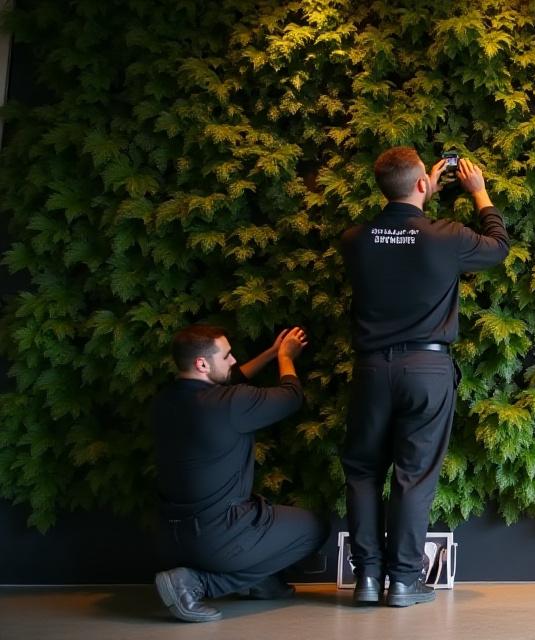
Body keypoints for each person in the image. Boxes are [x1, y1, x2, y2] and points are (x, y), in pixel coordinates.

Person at [340, 147, 508, 607]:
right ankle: (403, 581)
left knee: (362, 472)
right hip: (427, 368)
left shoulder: (354, 240)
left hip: (370, 369)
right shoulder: (446, 236)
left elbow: (396, 235)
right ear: (421, 184)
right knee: (413, 476)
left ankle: (367, 579)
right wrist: (479, 193)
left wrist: (421, 192)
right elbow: (498, 247)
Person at [152, 324, 327, 623]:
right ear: (202, 364)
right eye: (227, 355)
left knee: (263, 517)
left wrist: (270, 352)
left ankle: (258, 581)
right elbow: (291, 396)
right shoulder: (231, 403)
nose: (233, 360)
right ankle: (196, 584)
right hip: (218, 538)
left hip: (169, 537)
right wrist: (286, 357)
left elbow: (229, 379)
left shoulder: (163, 402)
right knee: (314, 528)